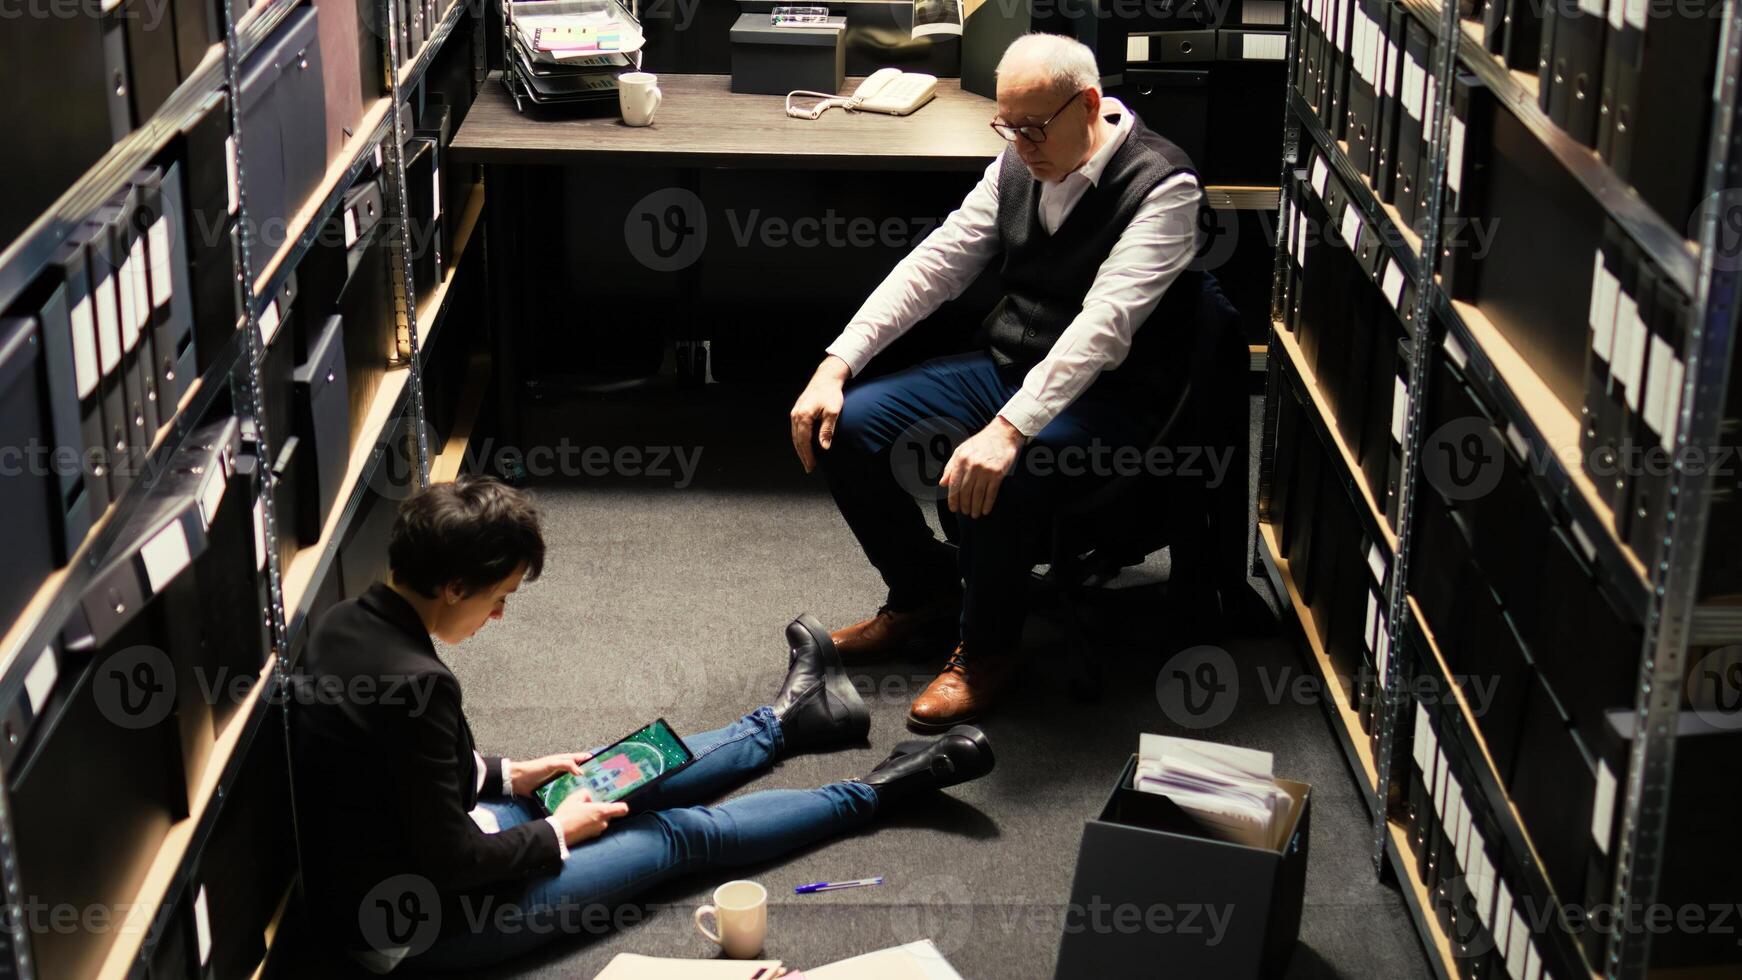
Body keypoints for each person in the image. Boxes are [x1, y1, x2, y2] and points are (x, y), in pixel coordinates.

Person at [290, 476, 994, 972]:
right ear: (453, 587)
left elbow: (396, 769)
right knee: (673, 835)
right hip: (425, 927)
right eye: (499, 598)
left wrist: (511, 774)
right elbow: (450, 863)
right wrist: (555, 833)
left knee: (615, 766)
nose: (499, 616)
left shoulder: (345, 621)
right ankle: (881, 789)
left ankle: (787, 721)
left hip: (420, 844)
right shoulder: (420, 683)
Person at [788, 33, 1210, 731]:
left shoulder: (1163, 186)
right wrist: (837, 363)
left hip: (1111, 398)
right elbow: (939, 263)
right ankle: (925, 595)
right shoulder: (1020, 157)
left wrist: (1009, 428)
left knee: (996, 475)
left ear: (1091, 106)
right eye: (1006, 126)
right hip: (1011, 367)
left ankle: (987, 651)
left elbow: (1104, 326)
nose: (1019, 143)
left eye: (1033, 127)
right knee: (850, 426)